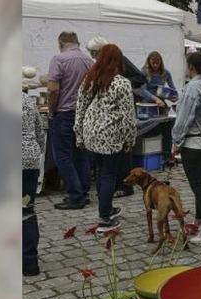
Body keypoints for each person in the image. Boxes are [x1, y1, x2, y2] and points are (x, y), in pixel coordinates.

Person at [74, 44, 137, 233]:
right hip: (110, 136)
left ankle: (107, 208)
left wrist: (79, 134)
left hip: (91, 134)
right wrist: (130, 139)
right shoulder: (122, 83)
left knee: (101, 173)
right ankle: (105, 217)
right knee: (109, 174)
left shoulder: (90, 78)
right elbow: (128, 116)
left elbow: (80, 108)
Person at [171, 52, 201, 244]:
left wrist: (175, 141)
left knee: (198, 187)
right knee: (200, 183)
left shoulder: (192, 88)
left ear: (191, 67)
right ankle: (199, 222)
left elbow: (184, 118)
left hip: (193, 143)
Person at [47, 31, 94, 209]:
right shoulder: (88, 61)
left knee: (63, 157)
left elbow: (53, 89)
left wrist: (52, 109)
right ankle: (83, 192)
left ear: (61, 43)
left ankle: (75, 196)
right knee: (81, 154)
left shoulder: (58, 59)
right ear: (77, 42)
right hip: (83, 113)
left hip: (64, 113)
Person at [22, 90, 46, 276]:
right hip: (29, 159)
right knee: (26, 210)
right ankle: (30, 263)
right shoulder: (27, 100)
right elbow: (39, 131)